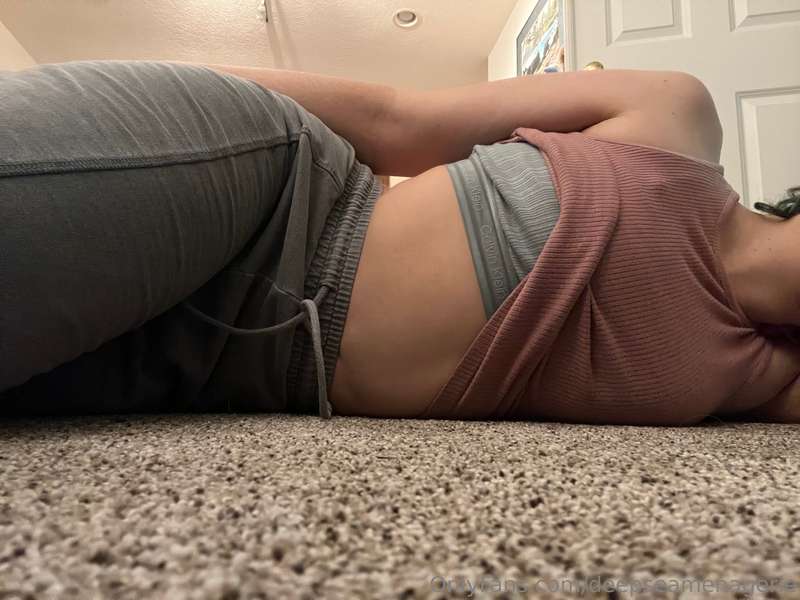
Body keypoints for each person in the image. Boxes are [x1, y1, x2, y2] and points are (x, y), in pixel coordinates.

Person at [0, 60, 797, 424]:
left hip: (210, 373)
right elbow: (395, 122)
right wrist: (100, 118)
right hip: (265, 200)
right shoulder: (671, 117)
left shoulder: (766, 376)